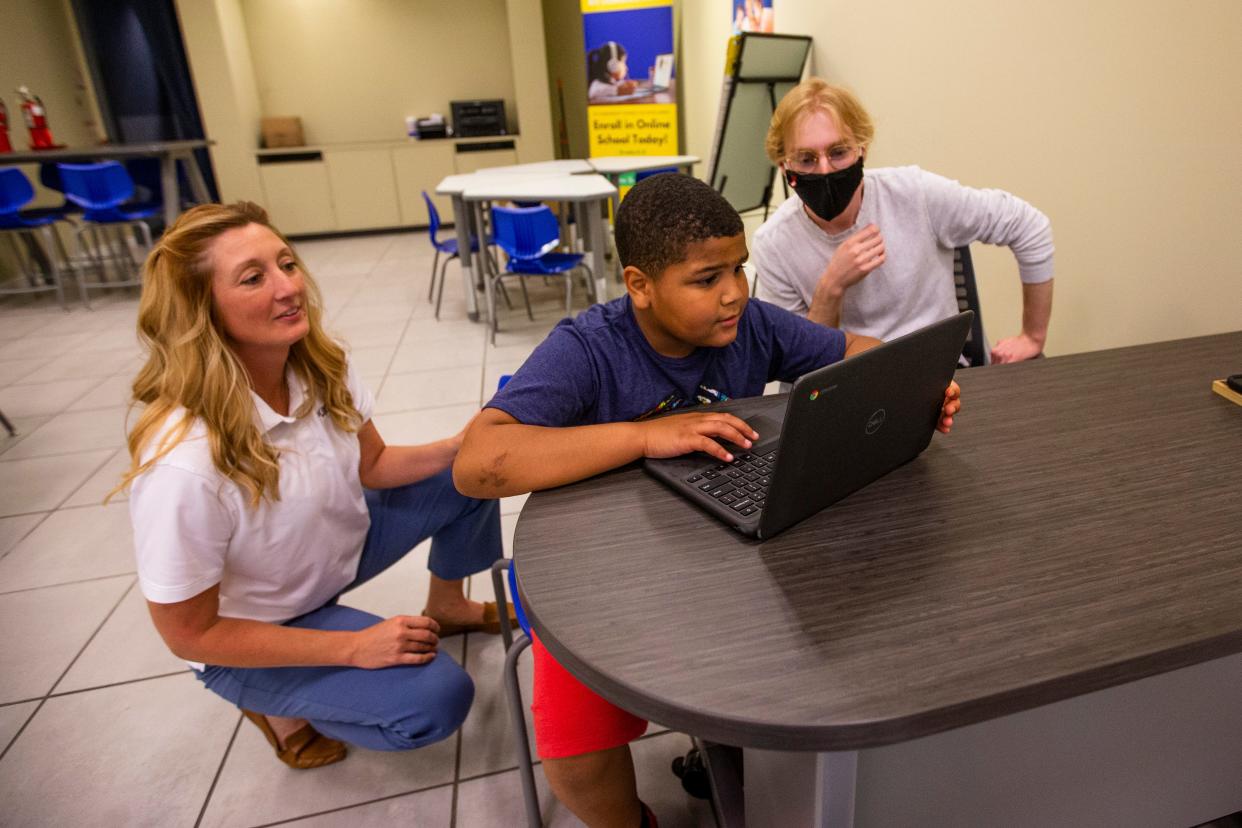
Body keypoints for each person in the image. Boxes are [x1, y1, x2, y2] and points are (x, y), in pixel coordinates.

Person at [453, 173, 961, 827]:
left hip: (724, 563)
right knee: (578, 756)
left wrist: (908, 384)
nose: (733, 295)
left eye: (739, 269)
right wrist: (643, 436)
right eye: (705, 279)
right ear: (639, 285)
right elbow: (476, 464)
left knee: (831, 657)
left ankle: (744, 761)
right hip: (609, 579)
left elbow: (855, 351)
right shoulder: (588, 349)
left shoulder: (749, 325)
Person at [114, 202, 511, 769]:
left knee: (471, 476)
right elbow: (189, 634)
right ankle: (279, 710)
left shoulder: (318, 365)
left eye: (287, 264)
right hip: (253, 629)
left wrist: (460, 445)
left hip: (327, 556)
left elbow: (371, 465)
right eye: (254, 278)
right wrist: (352, 647)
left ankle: (449, 608)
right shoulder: (183, 464)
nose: (288, 288)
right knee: (436, 700)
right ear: (202, 311)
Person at [752, 78, 1055, 364]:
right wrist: (831, 286)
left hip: (937, 375)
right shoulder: (774, 243)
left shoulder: (914, 193)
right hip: (843, 386)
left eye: (839, 152)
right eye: (806, 159)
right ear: (784, 166)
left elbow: (1028, 226)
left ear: (862, 149)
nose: (824, 170)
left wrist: (1032, 336)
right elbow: (797, 363)